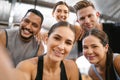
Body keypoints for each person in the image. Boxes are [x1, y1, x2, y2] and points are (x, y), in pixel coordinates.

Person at [0, 21, 80, 80]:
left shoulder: (71, 67)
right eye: (57, 38)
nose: (61, 47)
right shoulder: (27, 67)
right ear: (46, 39)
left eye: (68, 43)